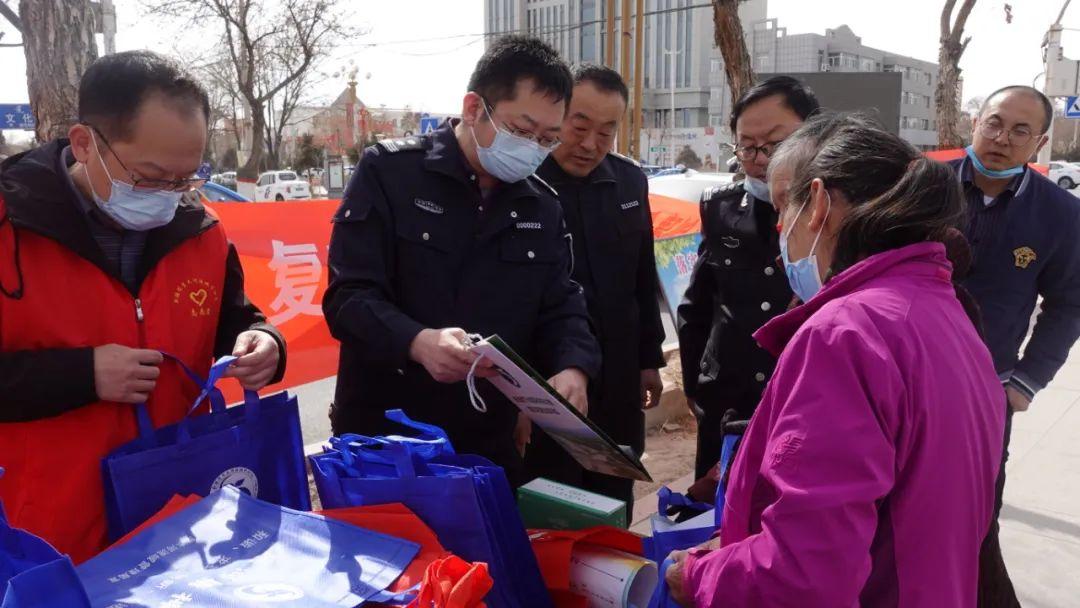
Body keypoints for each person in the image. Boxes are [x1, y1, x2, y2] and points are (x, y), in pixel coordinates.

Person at [666, 114, 1005, 606]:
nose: (781, 238)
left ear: (821, 203)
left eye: (785, 209)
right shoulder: (945, 310)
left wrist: (698, 578)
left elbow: (803, 574)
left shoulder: (846, 333)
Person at [0, 51, 285, 563]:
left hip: (176, 518)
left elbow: (234, 318)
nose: (170, 196)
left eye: (187, 178)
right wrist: (81, 375)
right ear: (86, 143)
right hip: (42, 532)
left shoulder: (201, 228)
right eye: (151, 177)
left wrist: (264, 342)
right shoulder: (9, 226)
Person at [323, 36, 600, 484]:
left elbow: (562, 304)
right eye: (522, 131)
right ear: (474, 108)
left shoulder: (541, 206)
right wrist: (417, 341)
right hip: (387, 440)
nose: (533, 148)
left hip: (486, 440)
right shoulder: (391, 174)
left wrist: (573, 367)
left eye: (547, 140)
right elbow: (348, 298)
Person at [950, 85, 1080, 606]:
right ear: (974, 123)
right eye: (995, 122)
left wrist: (1025, 382)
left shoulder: (1060, 215)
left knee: (974, 519)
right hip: (901, 385)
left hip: (986, 396)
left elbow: (1070, 304)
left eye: (1021, 131)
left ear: (1040, 142)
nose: (1002, 138)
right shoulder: (921, 188)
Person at [523, 64, 665, 508]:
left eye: (606, 132)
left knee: (614, 484)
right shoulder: (522, 183)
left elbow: (642, 276)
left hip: (618, 373)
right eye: (578, 126)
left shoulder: (628, 181)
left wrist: (649, 359)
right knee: (552, 493)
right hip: (549, 376)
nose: (589, 145)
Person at [677, 76, 820, 479]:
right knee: (714, 516)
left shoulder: (835, 214)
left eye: (774, 144)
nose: (758, 158)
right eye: (746, 145)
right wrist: (696, 385)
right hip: (725, 402)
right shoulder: (720, 209)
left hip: (795, 404)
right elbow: (698, 306)